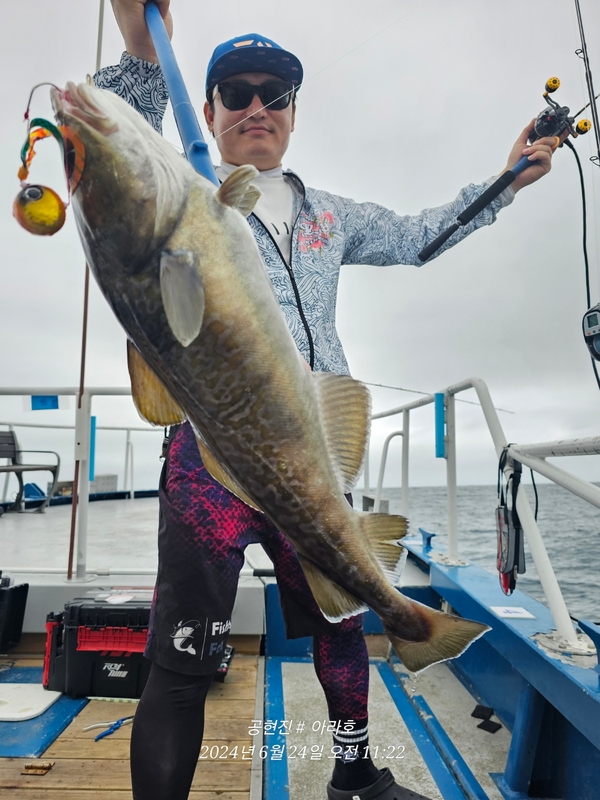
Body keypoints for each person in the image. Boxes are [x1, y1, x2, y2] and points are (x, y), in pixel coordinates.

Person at [97, 2, 561, 798]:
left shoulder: (332, 217)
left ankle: (353, 773)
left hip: (312, 453)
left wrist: (507, 179)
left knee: (340, 624)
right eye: (234, 92)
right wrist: (142, 50)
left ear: (293, 113)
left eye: (273, 94)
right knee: (181, 652)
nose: (255, 108)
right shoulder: (187, 188)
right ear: (204, 110)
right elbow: (114, 147)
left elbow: (421, 235)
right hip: (209, 455)